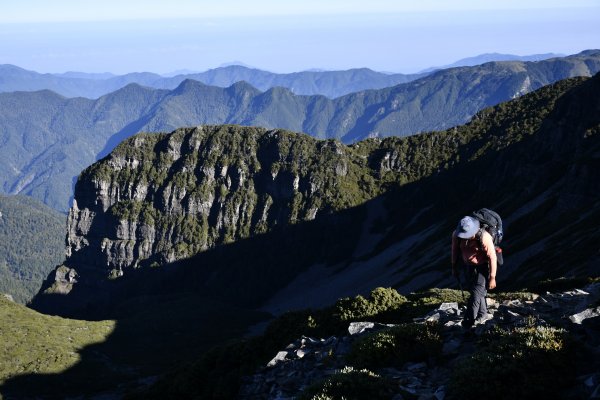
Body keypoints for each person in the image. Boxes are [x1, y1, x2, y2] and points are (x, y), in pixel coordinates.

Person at [451, 215, 497, 328]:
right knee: (476, 291)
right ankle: (483, 314)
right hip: (468, 266)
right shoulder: (456, 235)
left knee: (475, 295)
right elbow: (454, 250)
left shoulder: (484, 237)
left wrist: (492, 277)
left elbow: (492, 257)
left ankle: (467, 323)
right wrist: (454, 267)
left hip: (482, 267)